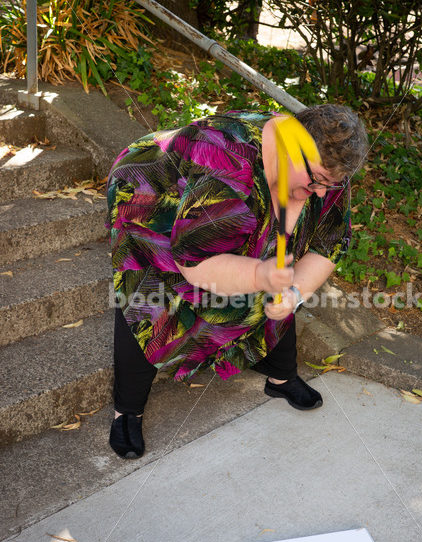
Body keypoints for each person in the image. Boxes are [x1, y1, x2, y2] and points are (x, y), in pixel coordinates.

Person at [106, 104, 368, 459]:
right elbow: (194, 262)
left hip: (222, 197)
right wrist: (259, 275)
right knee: (151, 293)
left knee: (277, 273)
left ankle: (281, 376)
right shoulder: (227, 160)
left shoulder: (326, 169)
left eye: (332, 183)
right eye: (318, 180)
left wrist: (291, 294)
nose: (324, 192)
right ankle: (127, 411)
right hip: (149, 191)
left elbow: (329, 243)